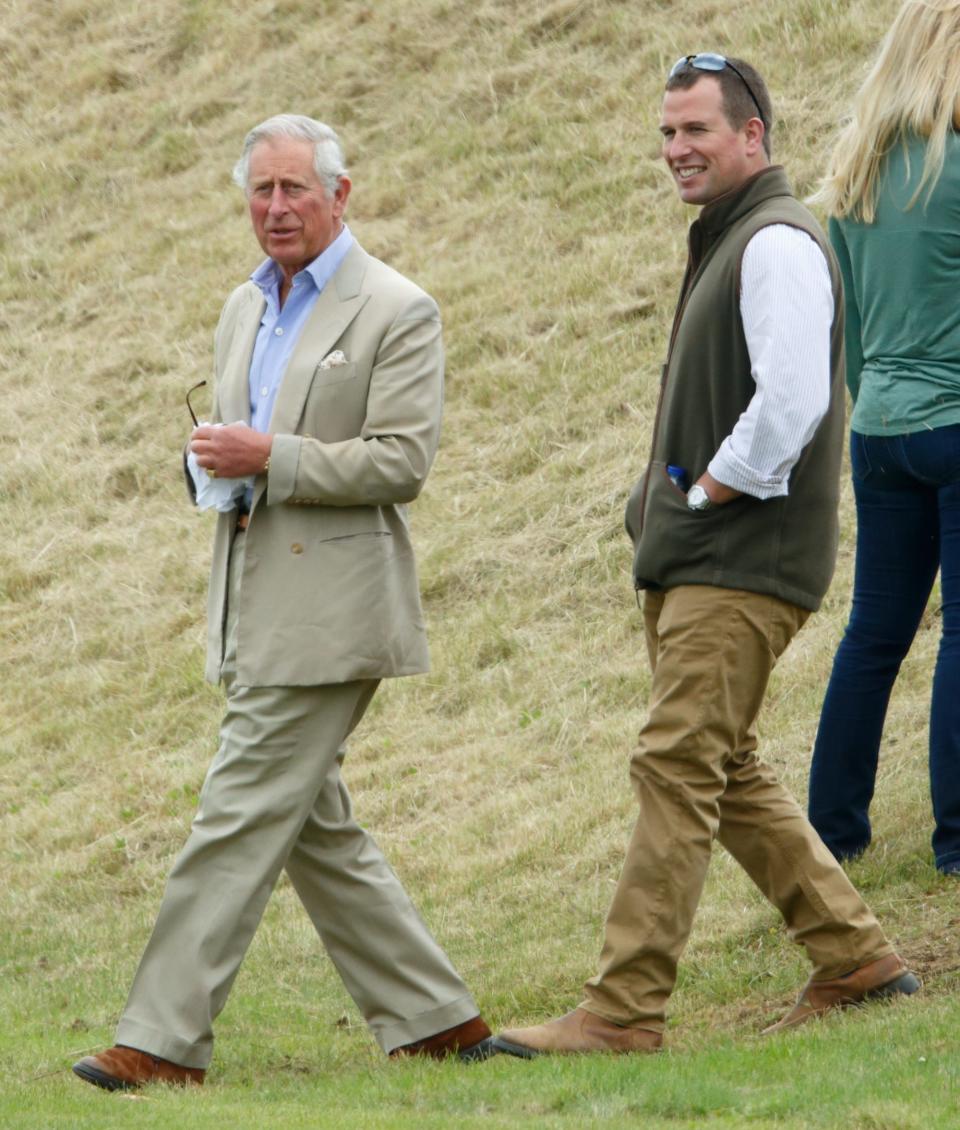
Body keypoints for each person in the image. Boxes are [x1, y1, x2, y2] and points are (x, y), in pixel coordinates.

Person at [493, 56, 918, 1058]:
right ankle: (854, 953)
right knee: (721, 765)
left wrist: (710, 486)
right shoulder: (734, 237)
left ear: (754, 137)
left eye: (698, 131)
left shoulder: (774, 243)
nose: (678, 149)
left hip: (739, 557)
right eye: (668, 133)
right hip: (705, 556)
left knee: (675, 764)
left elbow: (793, 401)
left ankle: (623, 1009)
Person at [73, 114, 494, 1091]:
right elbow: (234, 449)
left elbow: (403, 459)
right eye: (260, 191)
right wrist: (210, 465)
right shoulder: (241, 308)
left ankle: (162, 1038)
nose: (275, 208)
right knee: (314, 826)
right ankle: (440, 1020)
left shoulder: (398, 307)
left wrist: (272, 457)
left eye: (294, 189)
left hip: (334, 613)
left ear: (339, 195)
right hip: (251, 604)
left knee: (234, 815)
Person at [806, 0, 960, 875]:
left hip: (880, 431)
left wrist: (885, 412)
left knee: (872, 633)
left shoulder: (856, 172)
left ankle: (831, 835)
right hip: (954, 421)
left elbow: (854, 335)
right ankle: (957, 842)